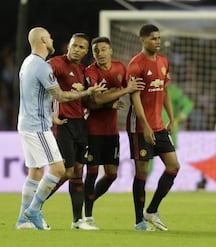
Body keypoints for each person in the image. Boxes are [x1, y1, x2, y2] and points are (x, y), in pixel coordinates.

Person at [15, 27, 106, 230]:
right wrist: (88, 92)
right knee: (59, 169)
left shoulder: (28, 62)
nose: (53, 38)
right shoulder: (44, 66)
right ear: (42, 40)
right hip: (38, 126)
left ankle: (22, 219)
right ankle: (34, 210)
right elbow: (61, 96)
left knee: (36, 172)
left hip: (28, 123)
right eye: (49, 36)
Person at [83, 37, 145, 229]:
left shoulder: (120, 68)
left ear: (110, 51)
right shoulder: (90, 72)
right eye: (96, 51)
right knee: (92, 172)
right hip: (92, 129)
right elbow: (96, 99)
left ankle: (88, 201)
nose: (100, 53)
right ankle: (87, 217)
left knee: (111, 174)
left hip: (111, 131)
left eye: (103, 49)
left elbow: (132, 90)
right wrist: (117, 94)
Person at [126, 24, 180, 231]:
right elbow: (135, 98)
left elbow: (165, 91)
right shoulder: (136, 65)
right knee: (141, 170)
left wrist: (171, 118)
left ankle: (152, 210)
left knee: (173, 166)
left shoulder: (163, 61)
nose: (157, 41)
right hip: (140, 126)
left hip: (158, 124)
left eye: (158, 38)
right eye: (153, 38)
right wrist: (146, 126)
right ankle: (139, 221)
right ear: (142, 40)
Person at [46, 33, 98, 230]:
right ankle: (34, 206)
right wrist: (50, 112)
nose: (77, 49)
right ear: (68, 46)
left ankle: (77, 221)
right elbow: (42, 84)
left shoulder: (82, 71)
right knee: (66, 171)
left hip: (80, 125)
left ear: (86, 52)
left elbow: (83, 100)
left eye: (81, 47)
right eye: (74, 45)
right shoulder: (56, 64)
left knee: (77, 172)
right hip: (63, 123)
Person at [161, 83, 193, 147]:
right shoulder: (150, 88)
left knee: (170, 150)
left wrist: (183, 114)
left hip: (169, 126)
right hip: (153, 125)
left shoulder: (174, 91)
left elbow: (188, 104)